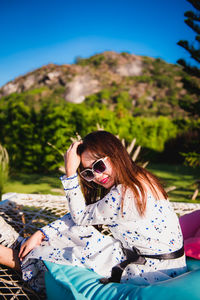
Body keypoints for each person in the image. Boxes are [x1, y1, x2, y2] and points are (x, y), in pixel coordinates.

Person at [0, 130, 187, 294]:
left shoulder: (124, 194)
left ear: (115, 154)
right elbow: (85, 215)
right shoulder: (140, 177)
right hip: (168, 265)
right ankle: (25, 248)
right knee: (79, 236)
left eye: (98, 166)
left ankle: (14, 255)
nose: (96, 176)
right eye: (88, 173)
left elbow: (80, 217)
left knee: (76, 247)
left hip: (152, 273)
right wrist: (42, 232)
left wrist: (70, 173)